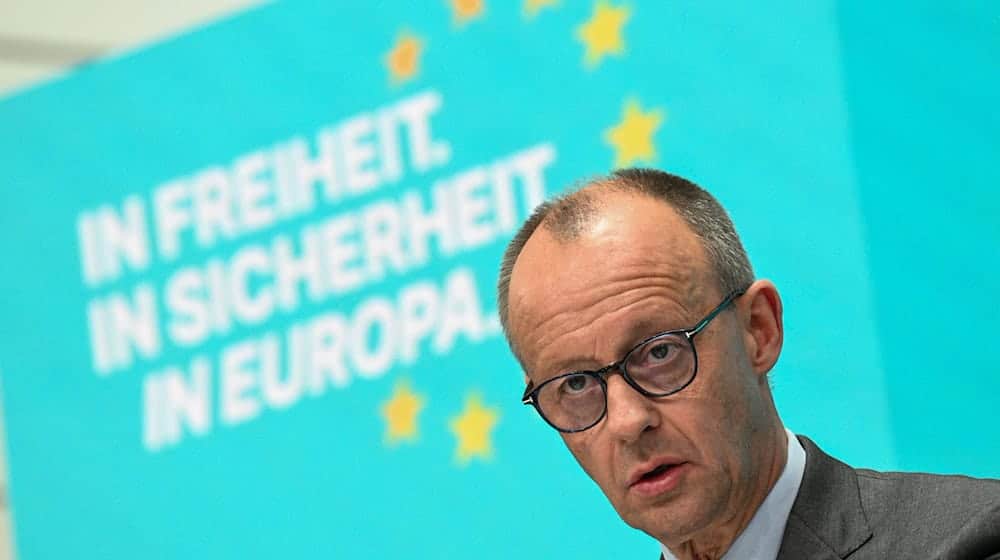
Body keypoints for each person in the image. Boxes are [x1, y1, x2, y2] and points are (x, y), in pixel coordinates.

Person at [496, 168, 1000, 560]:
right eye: (577, 384)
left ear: (760, 329)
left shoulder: (968, 542)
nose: (629, 421)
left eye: (660, 351)